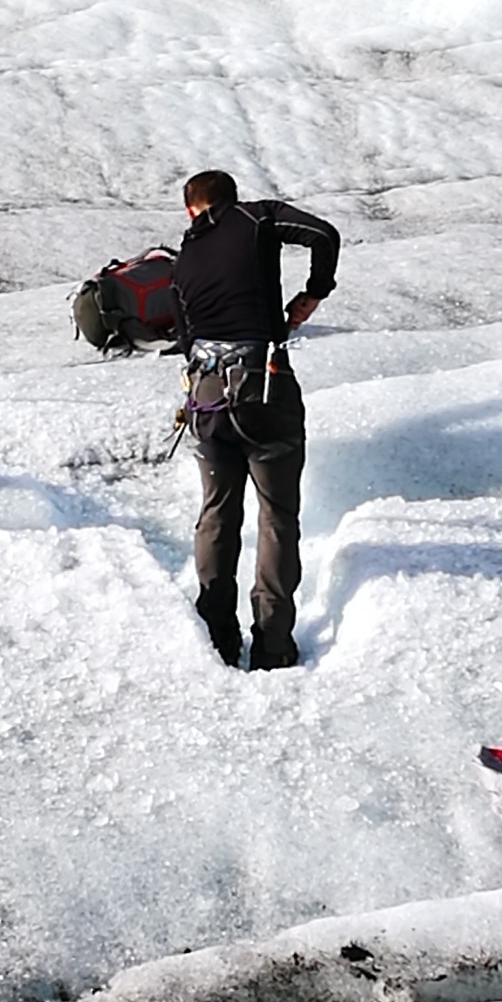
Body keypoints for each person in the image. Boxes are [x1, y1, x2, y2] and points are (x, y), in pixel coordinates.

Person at [172, 169, 340, 670]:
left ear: (190, 210)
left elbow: (182, 337)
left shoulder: (181, 261)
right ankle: (272, 646)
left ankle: (216, 639)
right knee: (277, 517)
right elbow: (322, 235)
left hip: (205, 396)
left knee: (217, 512)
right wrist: (315, 291)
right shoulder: (256, 217)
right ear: (232, 197)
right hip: (264, 387)